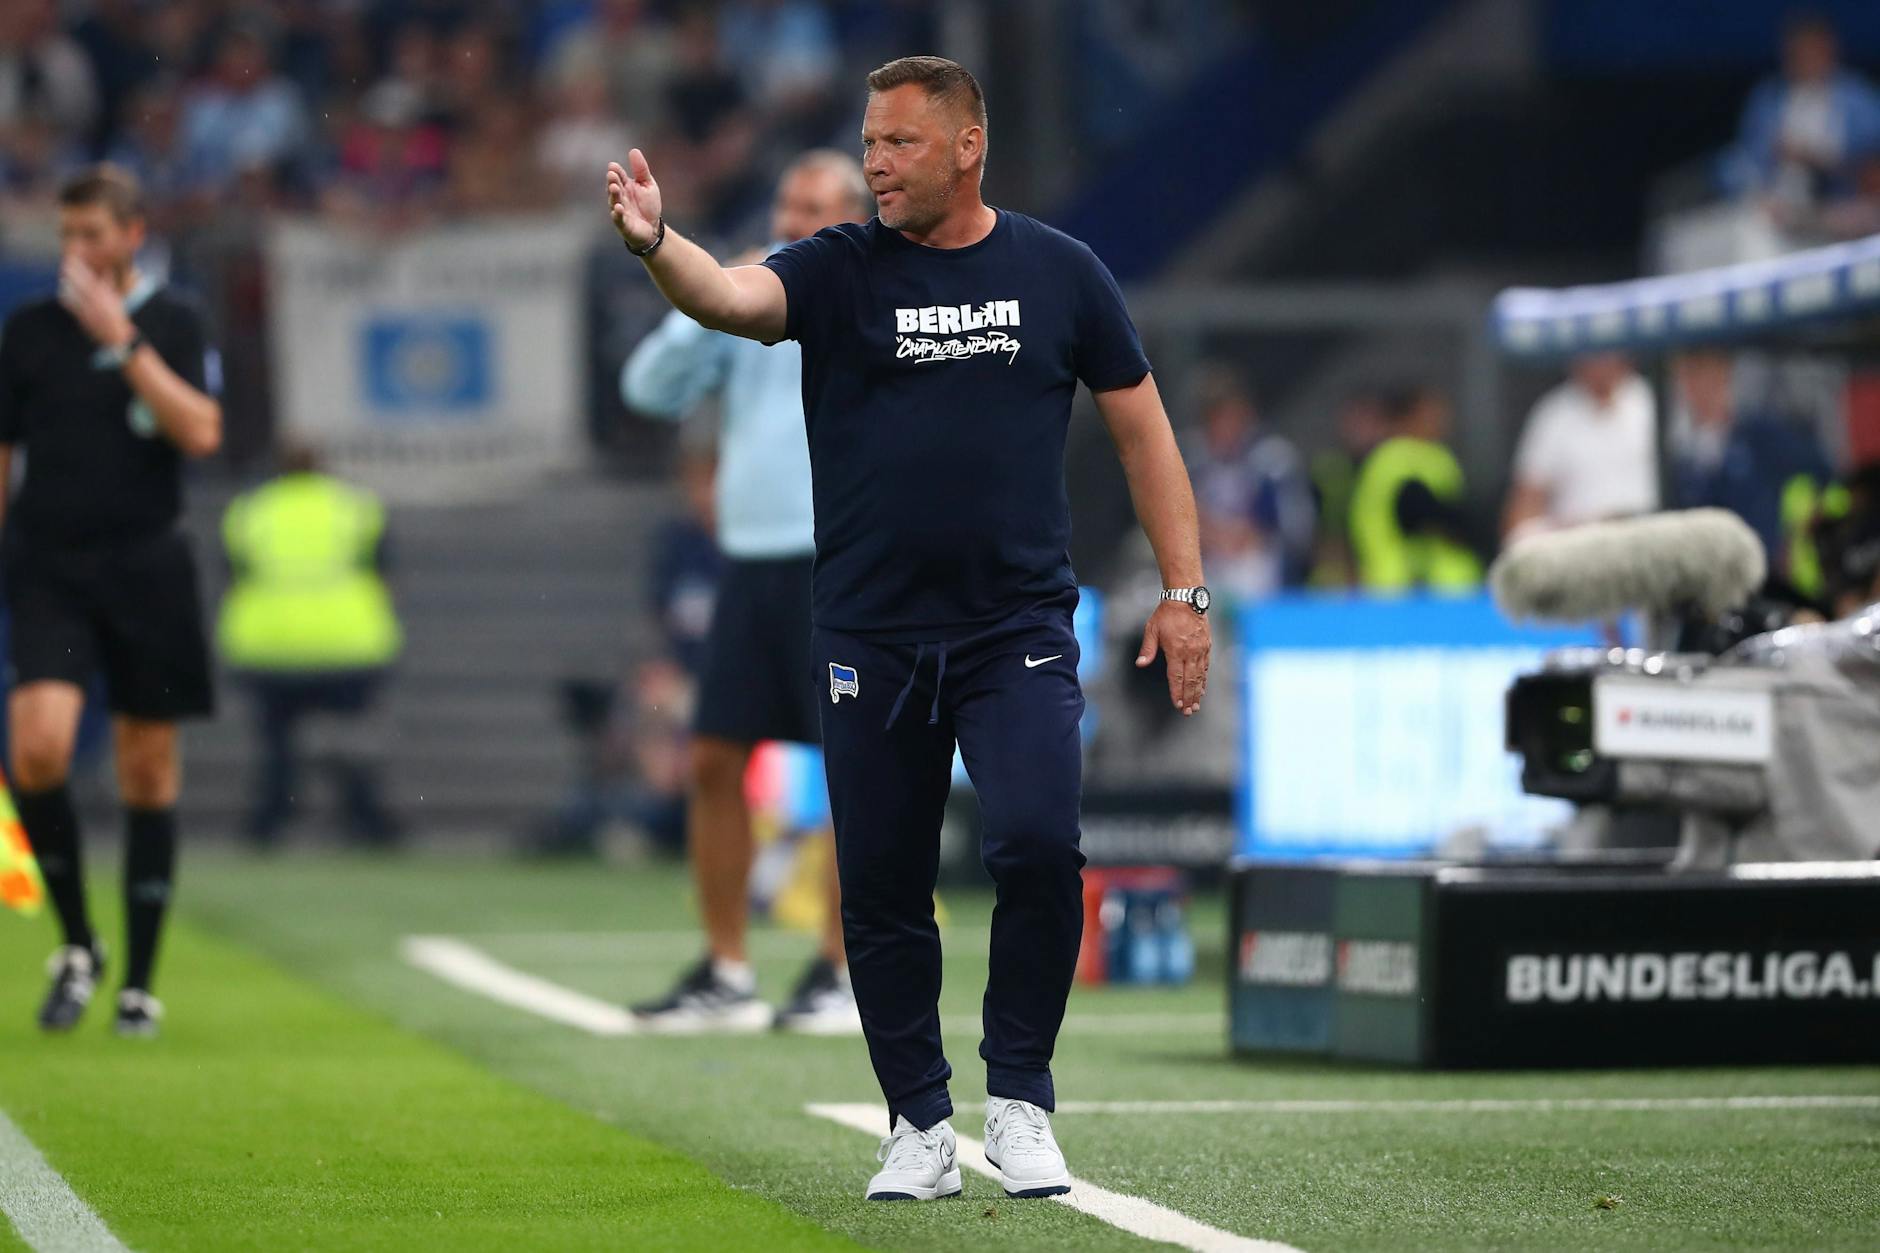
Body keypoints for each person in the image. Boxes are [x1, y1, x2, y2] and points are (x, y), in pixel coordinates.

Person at [606, 54, 1210, 1202]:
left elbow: (1144, 434)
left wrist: (1184, 593)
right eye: (869, 143)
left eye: (899, 143)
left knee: (1037, 844)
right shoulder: (836, 267)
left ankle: (1019, 1098)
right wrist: (655, 243)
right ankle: (919, 1124)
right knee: (880, 883)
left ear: (966, 146)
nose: (876, 164)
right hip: (869, 633)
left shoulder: (1060, 270)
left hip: (1014, 626)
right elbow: (729, 298)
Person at [622, 150, 870, 1035]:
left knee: (856, 771)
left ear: (856, 218)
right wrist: (712, 300)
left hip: (838, 562)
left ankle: (847, 970)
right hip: (751, 561)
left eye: (814, 209)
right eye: (786, 206)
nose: (793, 223)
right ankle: (728, 972)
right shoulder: (754, 293)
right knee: (713, 759)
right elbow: (647, 388)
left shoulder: (869, 292)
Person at [0, 164, 221, 1037]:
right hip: (49, 564)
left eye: (92, 234)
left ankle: (138, 981)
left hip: (146, 566)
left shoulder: (176, 321)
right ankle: (78, 942)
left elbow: (200, 431)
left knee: (147, 767)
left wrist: (121, 341)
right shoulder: (28, 332)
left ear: (133, 234)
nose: (77, 251)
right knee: (38, 749)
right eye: (67, 235)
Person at [216, 445, 403, 848]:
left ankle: (270, 821)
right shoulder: (356, 508)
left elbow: (233, 576)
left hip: (269, 645)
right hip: (347, 643)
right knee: (350, 741)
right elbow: (383, 574)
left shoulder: (251, 511)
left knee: (277, 744)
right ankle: (364, 820)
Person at [1188, 367, 1314, 610]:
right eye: (1216, 419)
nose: (1225, 427)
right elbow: (1179, 513)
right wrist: (1214, 535)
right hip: (1206, 562)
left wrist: (1247, 534)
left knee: (1251, 575)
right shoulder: (1192, 459)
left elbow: (1294, 526)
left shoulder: (1272, 459)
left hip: (1261, 565)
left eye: (1230, 417)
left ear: (1246, 415)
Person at [1502, 352, 1657, 543]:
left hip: (1648, 539)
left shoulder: (1651, 401)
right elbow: (1522, 515)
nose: (1598, 361)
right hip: (1580, 545)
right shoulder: (1553, 414)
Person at [1349, 383, 1482, 591]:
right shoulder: (1394, 457)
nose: (1440, 419)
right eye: (1430, 412)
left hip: (1447, 587)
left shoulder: (1437, 456)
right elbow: (1419, 512)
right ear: (1408, 416)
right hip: (1405, 588)